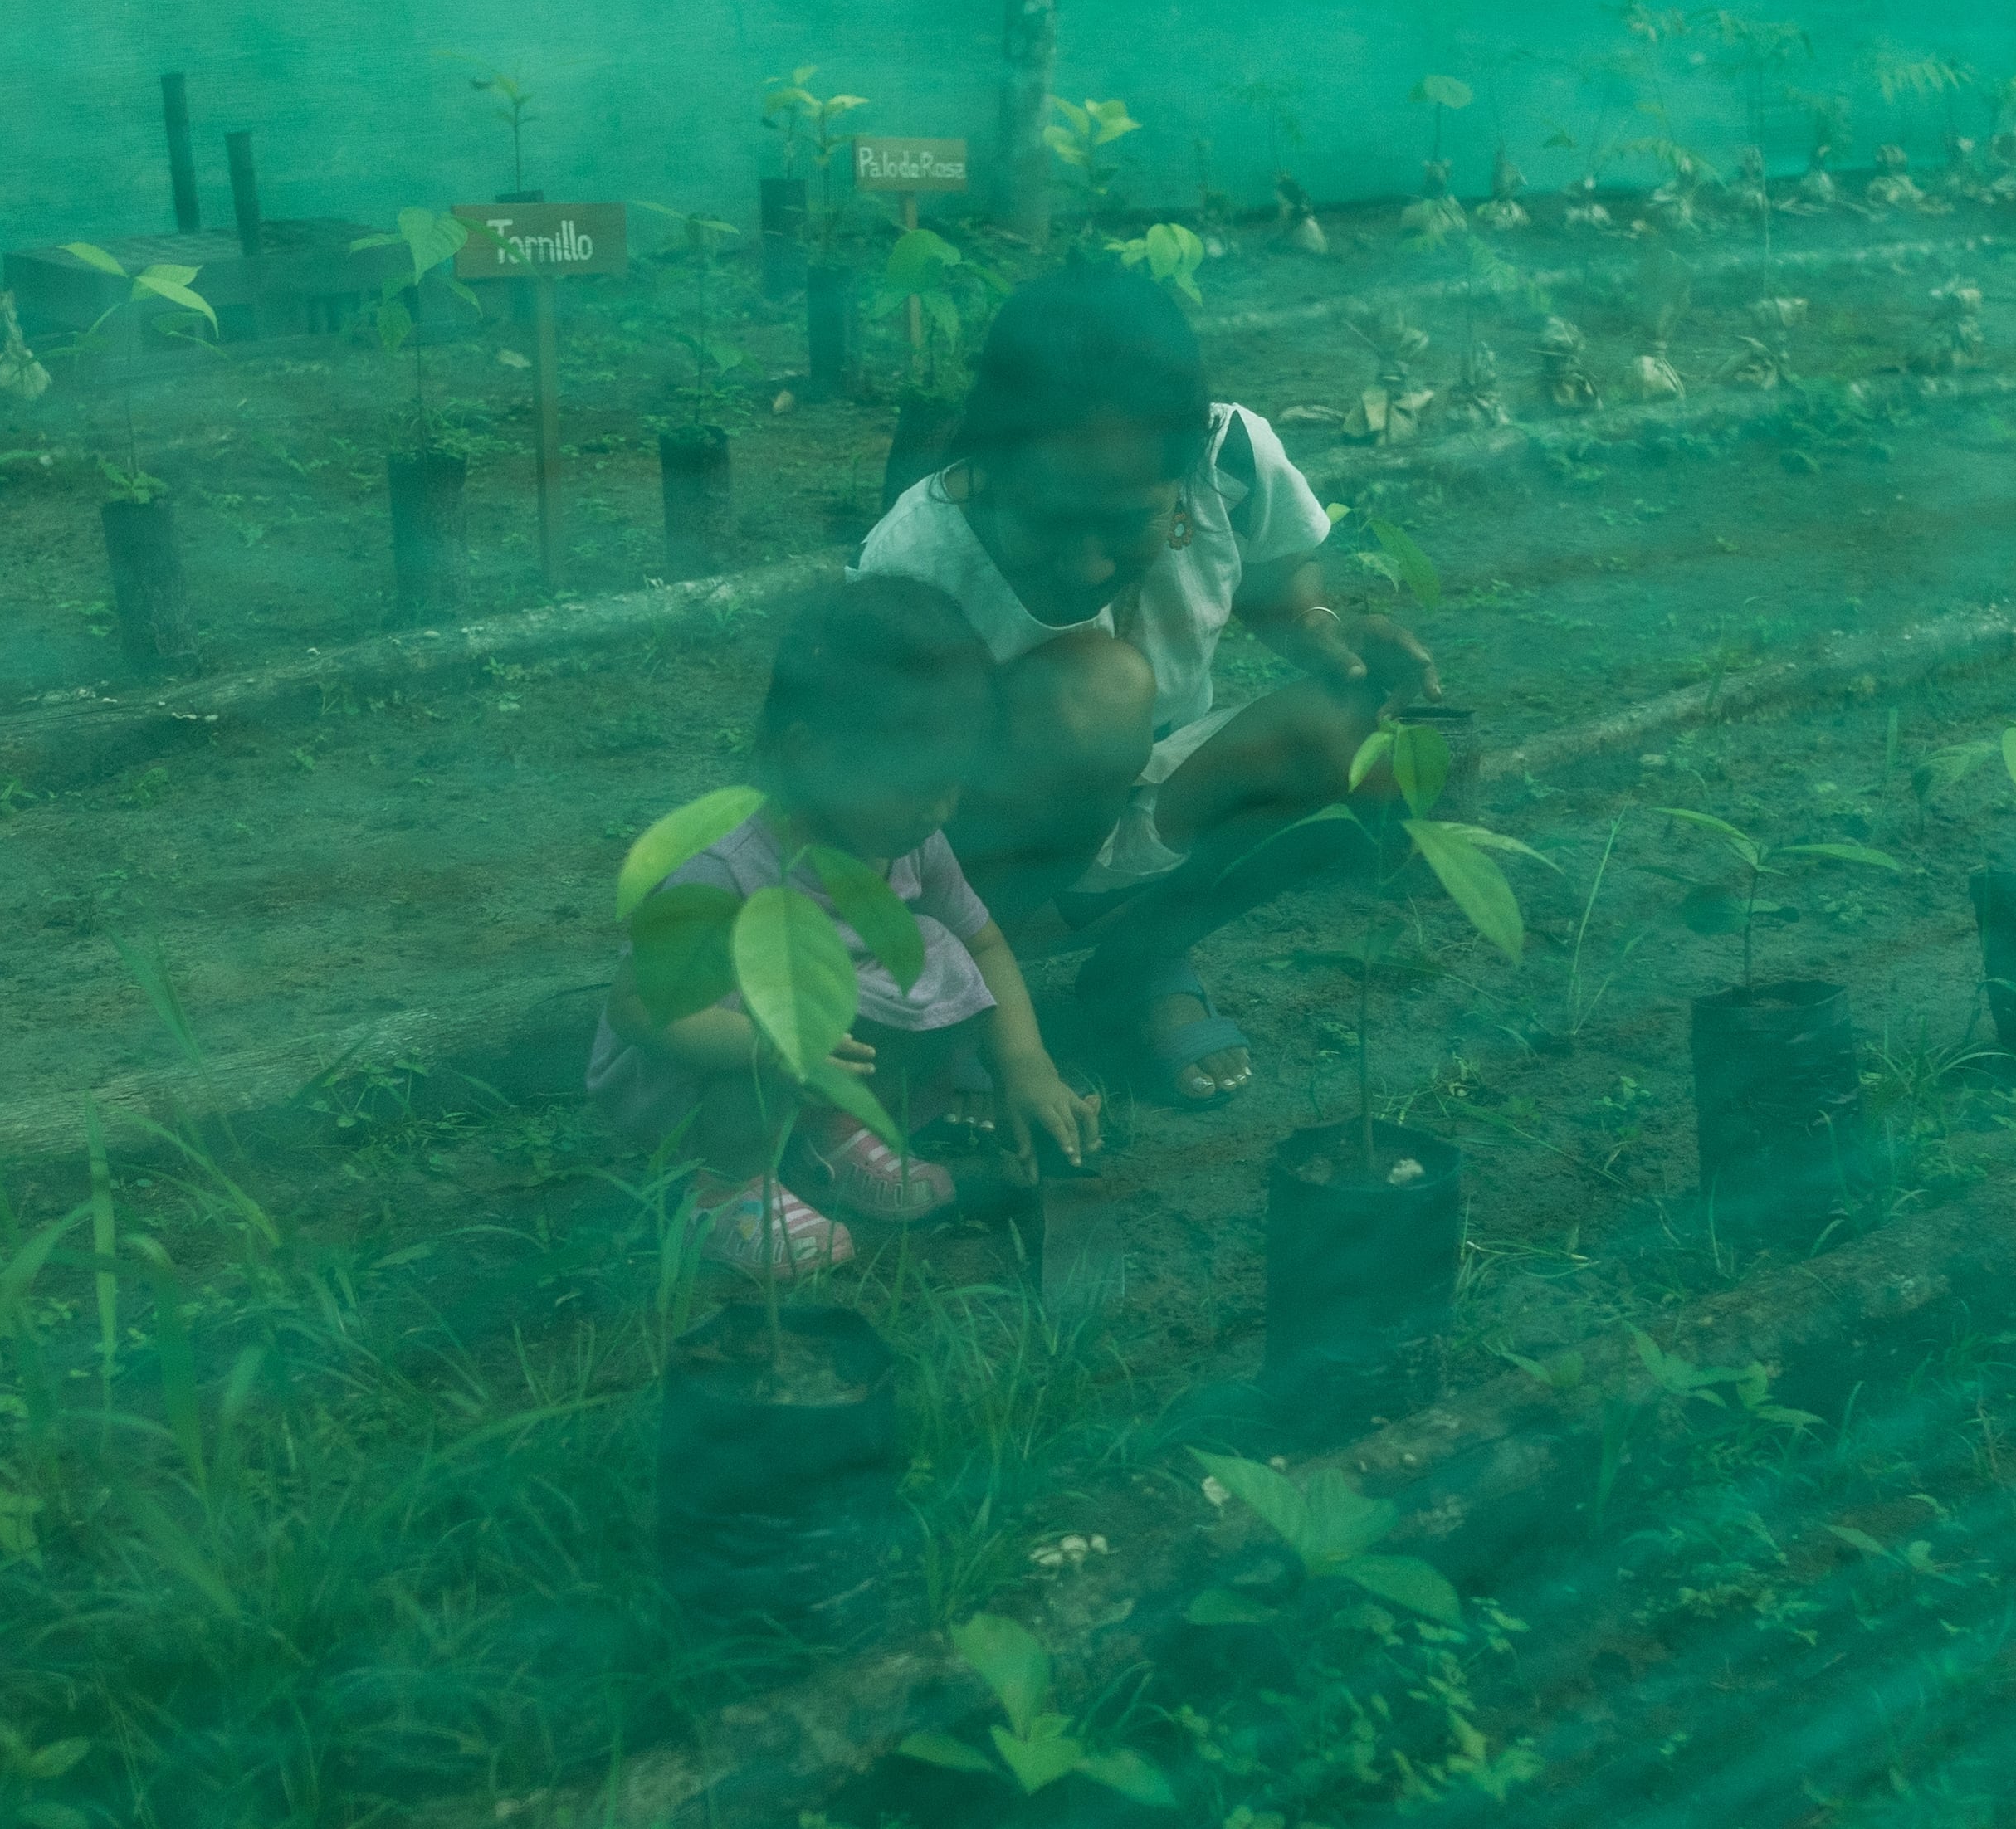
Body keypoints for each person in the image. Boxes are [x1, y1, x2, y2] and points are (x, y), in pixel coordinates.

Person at [852, 261, 1441, 1106]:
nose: (1085, 558)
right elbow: (866, 805)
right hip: (972, 855)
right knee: (1096, 693)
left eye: (1123, 519)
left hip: (1152, 795)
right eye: (1050, 514)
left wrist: (1330, 636)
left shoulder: (1230, 460)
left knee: (1363, 743)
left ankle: (1138, 961)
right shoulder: (918, 562)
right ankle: (962, 1003)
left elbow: (1279, 584)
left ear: (1184, 474)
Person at [584, 578, 1101, 1277]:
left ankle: (831, 1132)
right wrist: (773, 1049)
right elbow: (637, 1004)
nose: (942, 809)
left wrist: (1026, 1063)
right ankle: (724, 1183)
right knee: (777, 1005)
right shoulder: (726, 865)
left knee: (936, 954)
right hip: (697, 1066)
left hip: (816, 1045)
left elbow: (984, 942)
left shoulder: (905, 837)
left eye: (956, 782)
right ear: (810, 754)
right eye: (919, 784)